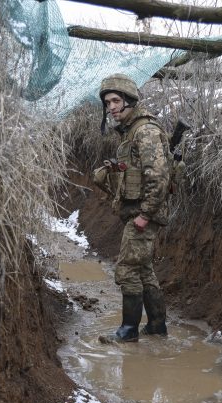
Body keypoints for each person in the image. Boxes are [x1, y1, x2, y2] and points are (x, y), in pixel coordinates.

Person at [93, 73, 170, 343]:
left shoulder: (145, 130)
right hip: (140, 212)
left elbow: (159, 175)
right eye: (107, 103)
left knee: (126, 270)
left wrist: (145, 214)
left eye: (115, 101)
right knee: (143, 270)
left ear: (130, 100)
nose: (111, 107)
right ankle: (157, 327)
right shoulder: (131, 131)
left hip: (144, 215)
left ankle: (127, 332)